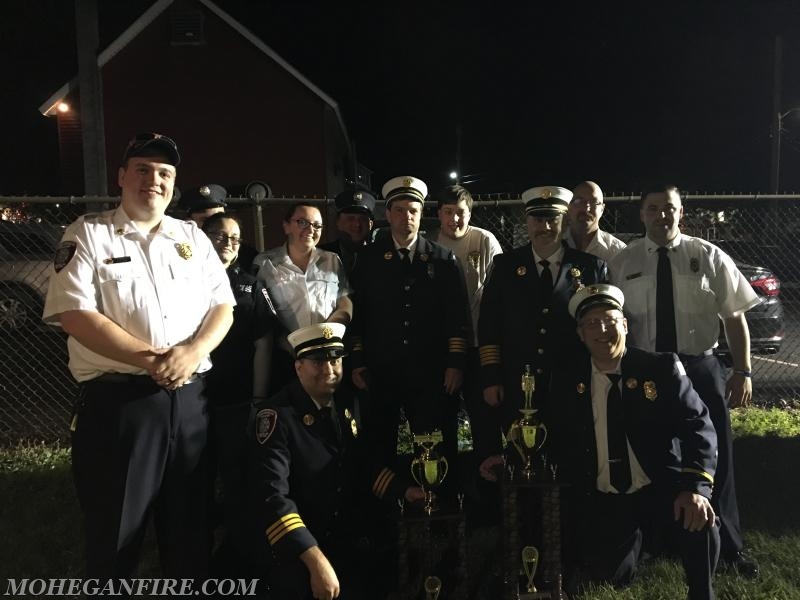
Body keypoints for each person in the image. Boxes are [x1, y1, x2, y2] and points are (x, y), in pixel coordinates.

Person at [42, 133, 235, 583]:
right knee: (116, 535)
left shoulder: (191, 238)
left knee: (189, 531)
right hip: (121, 408)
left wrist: (192, 352)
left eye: (165, 173)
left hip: (189, 405)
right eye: (143, 169)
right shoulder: (89, 234)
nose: (155, 180)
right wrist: (154, 360)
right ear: (122, 176)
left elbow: (222, 307)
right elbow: (74, 313)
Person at [609, 185, 760, 578]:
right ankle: (658, 542)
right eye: (654, 209)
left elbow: (734, 318)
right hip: (648, 372)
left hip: (701, 368)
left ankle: (728, 547)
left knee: (718, 459)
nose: (662, 215)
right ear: (641, 215)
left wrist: (742, 371)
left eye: (670, 208)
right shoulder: (623, 262)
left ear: (681, 213)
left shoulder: (708, 256)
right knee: (652, 457)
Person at [551, 284, 719, 600]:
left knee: (700, 520)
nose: (602, 330)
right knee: (607, 575)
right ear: (580, 334)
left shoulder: (660, 368)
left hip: (658, 488)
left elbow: (699, 427)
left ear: (625, 325)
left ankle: (702, 592)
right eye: (591, 324)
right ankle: (636, 548)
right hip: (605, 496)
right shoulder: (566, 379)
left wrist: (696, 487)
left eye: (610, 320)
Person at [247, 323, 423, 600]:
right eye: (318, 362)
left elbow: (360, 466)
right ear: (298, 367)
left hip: (346, 539)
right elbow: (272, 498)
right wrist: (314, 558)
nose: (329, 371)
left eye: (335, 360)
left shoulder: (345, 403)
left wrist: (403, 491)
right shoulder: (276, 416)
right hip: (298, 548)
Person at [477, 186, 607, 479]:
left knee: (569, 457)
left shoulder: (590, 268)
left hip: (571, 381)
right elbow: (489, 325)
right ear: (527, 222)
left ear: (564, 221)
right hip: (517, 382)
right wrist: (491, 376)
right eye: (537, 219)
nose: (545, 226)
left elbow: (602, 329)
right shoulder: (505, 265)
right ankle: (525, 520)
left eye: (552, 219)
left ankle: (565, 522)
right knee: (521, 459)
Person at [349, 176, 471, 470]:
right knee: (380, 444)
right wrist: (357, 360)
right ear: (388, 214)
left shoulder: (443, 260)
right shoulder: (368, 260)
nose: (407, 217)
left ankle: (440, 503)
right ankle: (387, 507)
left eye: (413, 210)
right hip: (381, 371)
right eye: (400, 210)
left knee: (434, 443)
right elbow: (358, 315)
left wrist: (455, 362)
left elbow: (458, 317)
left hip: (430, 371)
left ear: (421, 214)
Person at [201, 212, 277, 573]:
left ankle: (236, 551)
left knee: (235, 475)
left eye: (235, 238)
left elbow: (263, 341)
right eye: (220, 236)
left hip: (235, 397)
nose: (228, 244)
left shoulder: (249, 284)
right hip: (191, 396)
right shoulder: (182, 279)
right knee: (194, 476)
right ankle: (195, 546)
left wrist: (258, 397)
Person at [432, 184, 503, 459]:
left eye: (460, 212)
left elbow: (496, 293)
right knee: (442, 420)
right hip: (445, 349)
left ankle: (488, 480)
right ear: (439, 214)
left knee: (484, 419)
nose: (455, 220)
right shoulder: (431, 245)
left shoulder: (484, 241)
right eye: (448, 212)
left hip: (478, 346)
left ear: (470, 214)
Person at [253, 202, 352, 392]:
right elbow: (261, 312)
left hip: (328, 357)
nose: (310, 229)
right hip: (287, 357)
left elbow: (344, 300)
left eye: (317, 225)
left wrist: (331, 333)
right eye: (302, 222)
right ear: (286, 226)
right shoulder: (265, 263)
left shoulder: (332, 260)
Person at [182, 183, 258, 273]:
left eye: (219, 219)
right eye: (205, 220)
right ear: (189, 222)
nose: (215, 225)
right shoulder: (178, 251)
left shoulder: (247, 256)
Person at [565, 180, 627, 263]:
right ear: (569, 206)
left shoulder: (617, 252)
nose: (587, 208)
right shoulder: (553, 246)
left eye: (594, 202)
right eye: (579, 201)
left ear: (602, 209)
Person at [318, 188, 376, 275]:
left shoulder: (379, 256)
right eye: (350, 219)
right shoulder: (320, 255)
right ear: (337, 222)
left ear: (370, 224)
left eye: (363, 219)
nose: (357, 224)